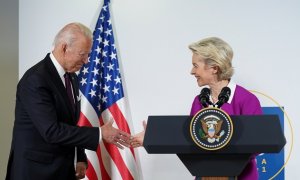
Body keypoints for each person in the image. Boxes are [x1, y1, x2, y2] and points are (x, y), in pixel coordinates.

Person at [6, 22, 131, 180]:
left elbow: (70, 124)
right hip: (35, 172)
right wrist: (100, 132)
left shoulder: (71, 76)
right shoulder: (36, 79)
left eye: (88, 55)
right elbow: (52, 131)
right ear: (64, 48)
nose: (86, 61)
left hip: (62, 169)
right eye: (82, 54)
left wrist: (79, 156)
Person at [131, 37, 262, 180]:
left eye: (195, 65)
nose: (192, 71)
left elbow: (257, 144)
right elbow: (189, 140)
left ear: (214, 68)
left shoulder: (247, 100)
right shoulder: (199, 101)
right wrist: (152, 138)